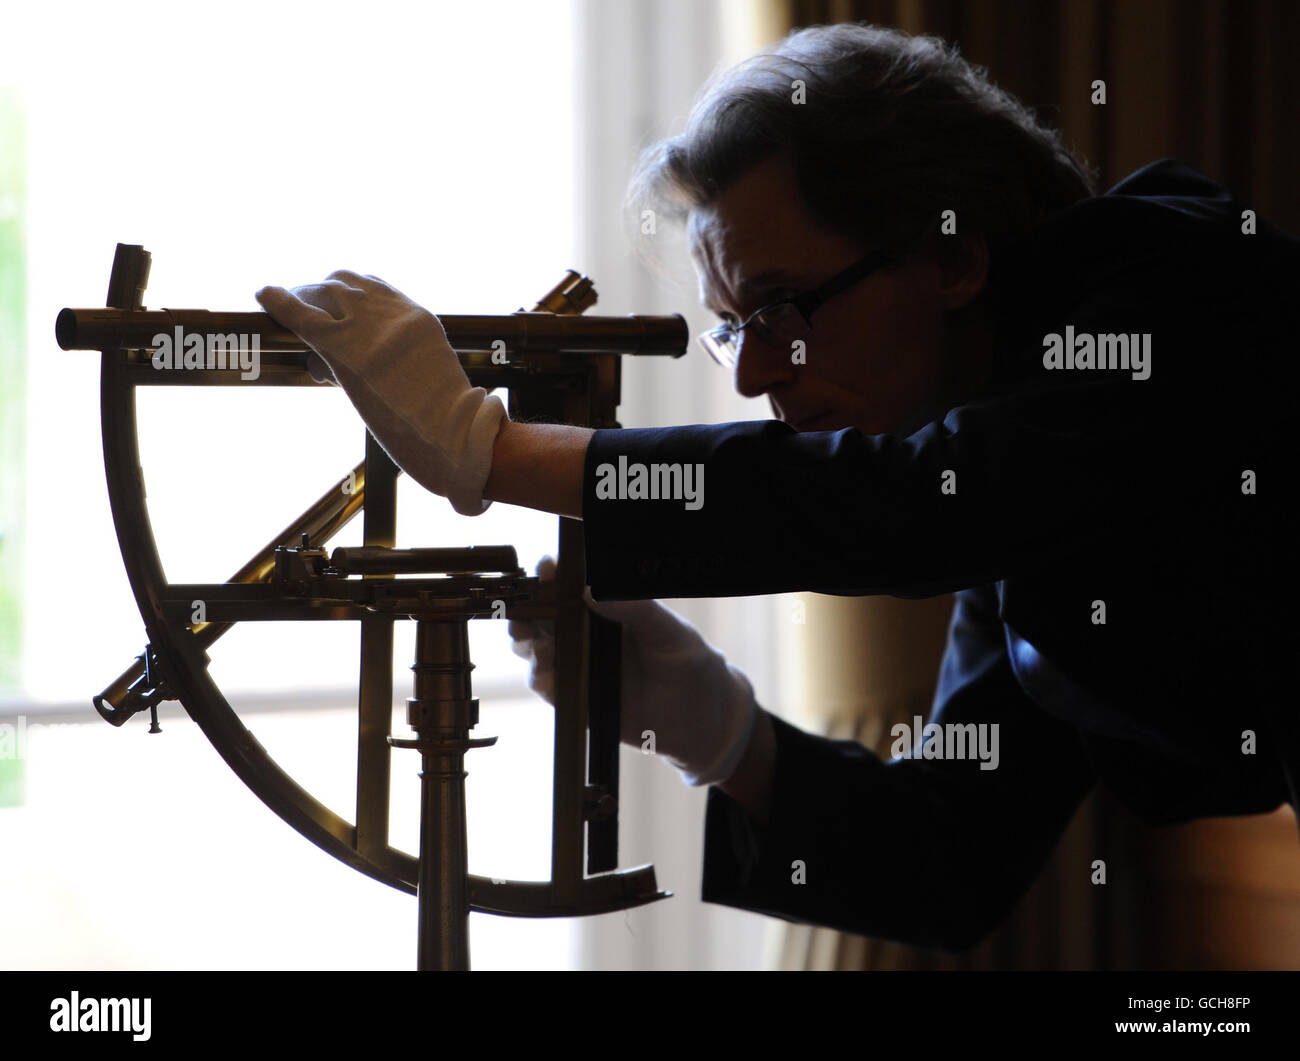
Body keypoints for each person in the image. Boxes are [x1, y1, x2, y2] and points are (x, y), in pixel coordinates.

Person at [255, 23, 1300, 952]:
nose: (754, 375)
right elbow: (947, 862)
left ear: (951, 261)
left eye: (782, 309)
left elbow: (906, 506)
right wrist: (710, 722)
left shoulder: (1178, 288)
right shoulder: (1006, 467)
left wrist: (488, 450)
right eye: (731, 329)